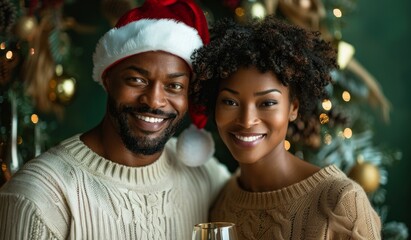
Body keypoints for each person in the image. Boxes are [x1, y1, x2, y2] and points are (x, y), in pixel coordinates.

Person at [0, 0, 230, 239]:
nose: (153, 101)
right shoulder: (39, 197)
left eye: (174, 86)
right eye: (137, 80)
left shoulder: (204, 176)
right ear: (108, 79)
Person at [192, 16, 381, 239]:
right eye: (230, 102)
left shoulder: (341, 203)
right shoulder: (222, 201)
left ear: (293, 108)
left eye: (267, 103)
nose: (246, 120)